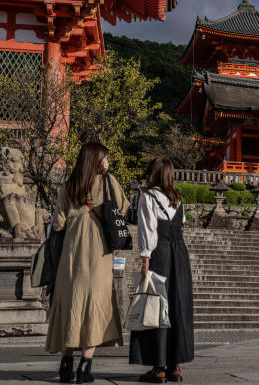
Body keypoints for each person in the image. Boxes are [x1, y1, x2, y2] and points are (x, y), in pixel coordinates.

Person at [45, 142, 129, 383]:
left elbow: (58, 224)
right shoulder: (108, 182)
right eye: (105, 158)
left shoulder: (68, 187)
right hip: (98, 252)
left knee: (70, 305)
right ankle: (85, 366)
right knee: (94, 305)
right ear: (96, 160)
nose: (108, 162)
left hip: (70, 255)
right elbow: (123, 209)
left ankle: (65, 364)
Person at [130, 157, 194, 383]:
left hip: (160, 253)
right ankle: (174, 365)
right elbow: (181, 224)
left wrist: (145, 258)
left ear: (153, 174)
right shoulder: (178, 198)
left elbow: (148, 230)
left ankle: (158, 366)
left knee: (157, 306)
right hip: (180, 255)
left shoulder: (148, 198)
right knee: (177, 305)